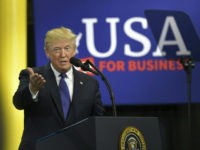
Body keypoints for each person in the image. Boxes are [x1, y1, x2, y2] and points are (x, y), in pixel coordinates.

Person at [13, 26, 105, 150]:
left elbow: (98, 122)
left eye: (67, 48)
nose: (63, 54)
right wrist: (32, 89)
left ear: (74, 51)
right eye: (57, 49)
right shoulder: (33, 76)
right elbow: (18, 103)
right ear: (47, 52)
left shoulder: (90, 83)